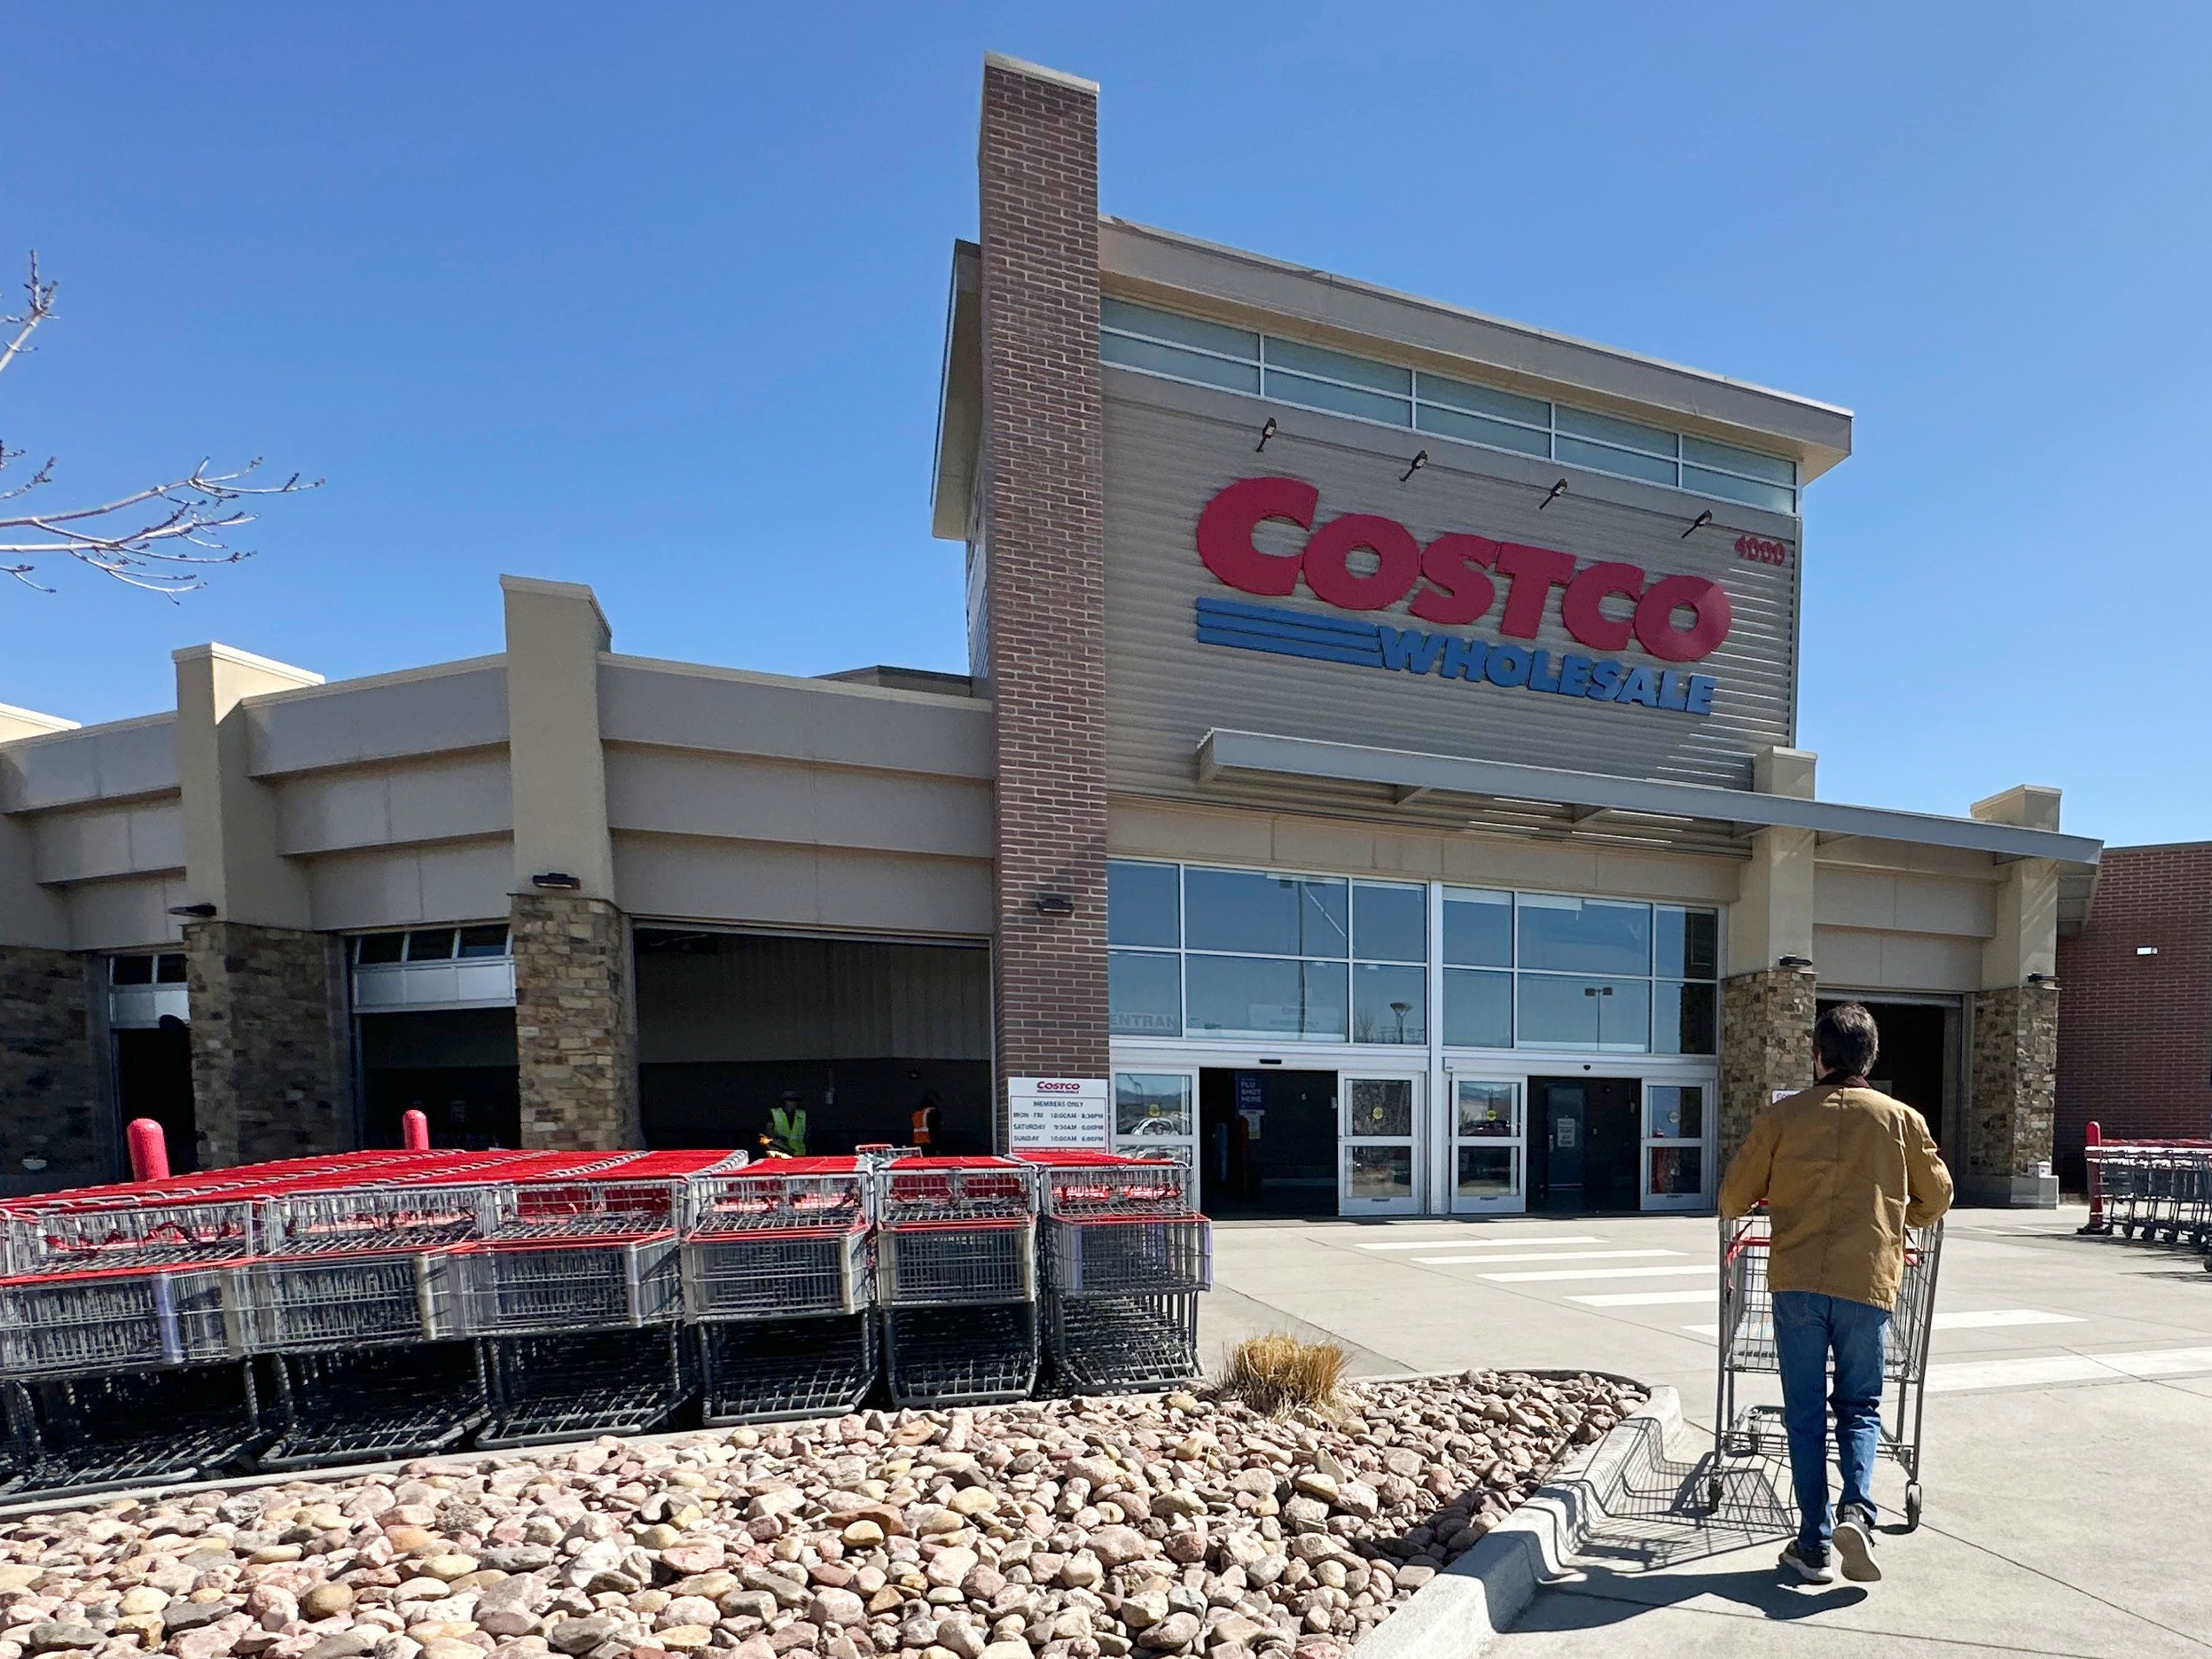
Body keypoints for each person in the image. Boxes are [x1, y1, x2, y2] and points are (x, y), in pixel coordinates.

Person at [1718, 1002, 1953, 1587]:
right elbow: (1937, 1195)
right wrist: (1898, 1221)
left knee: (1803, 1412)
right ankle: (1857, 1510)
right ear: (1869, 1057)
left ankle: (1812, 1543)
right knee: (1860, 1404)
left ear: (1816, 1054)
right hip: (1866, 1281)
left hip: (1796, 1281)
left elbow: (1731, 1198)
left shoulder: (1783, 1118)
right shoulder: (1901, 1119)